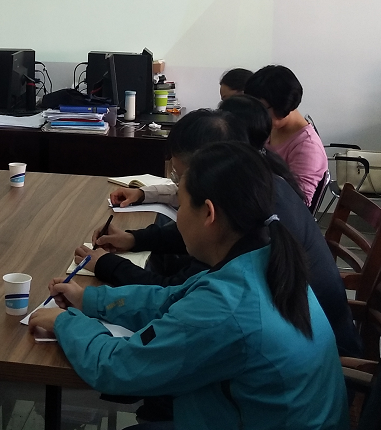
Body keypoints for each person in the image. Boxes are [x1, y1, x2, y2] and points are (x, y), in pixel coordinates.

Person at [30, 142, 349, 430]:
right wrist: (89, 299)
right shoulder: (264, 259)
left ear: (208, 213)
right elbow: (170, 299)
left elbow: (118, 368)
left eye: (180, 206)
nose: (177, 218)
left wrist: (65, 323)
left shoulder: (227, 307)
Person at [97, 108, 360, 356]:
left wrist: (108, 266)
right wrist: (135, 239)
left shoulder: (248, 237)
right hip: (306, 345)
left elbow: (178, 294)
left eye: (181, 177)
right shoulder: (255, 190)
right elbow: (192, 235)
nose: (179, 189)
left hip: (319, 351)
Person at [243, 65, 327, 203]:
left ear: (281, 105)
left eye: (262, 108)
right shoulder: (272, 127)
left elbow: (297, 203)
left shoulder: (307, 148)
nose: (256, 114)